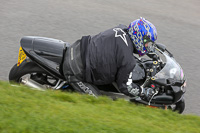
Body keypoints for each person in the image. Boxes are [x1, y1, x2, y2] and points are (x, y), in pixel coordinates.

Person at [62, 17, 157, 98]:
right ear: (139, 37)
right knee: (97, 104)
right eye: (147, 43)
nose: (148, 47)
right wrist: (143, 92)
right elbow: (125, 87)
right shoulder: (128, 61)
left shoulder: (120, 29)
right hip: (75, 70)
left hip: (77, 48)